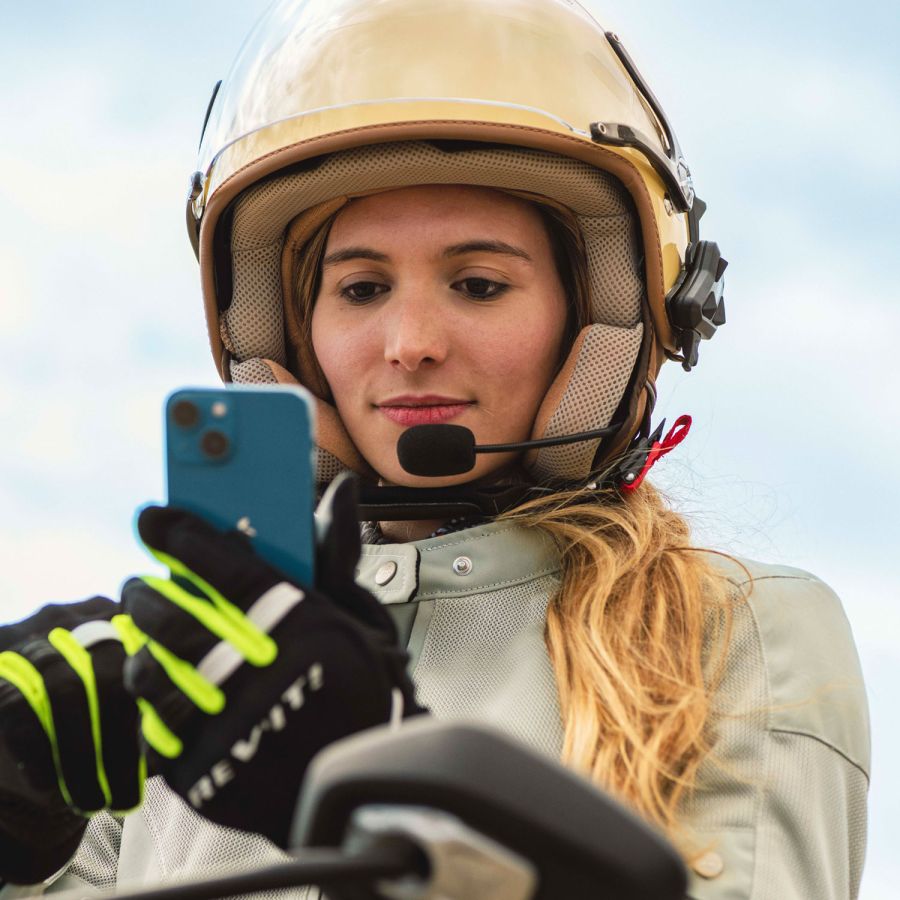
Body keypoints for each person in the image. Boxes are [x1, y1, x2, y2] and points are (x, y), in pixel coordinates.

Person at [0, 1, 869, 897]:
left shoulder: (737, 634)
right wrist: (23, 840)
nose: (409, 339)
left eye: (479, 284)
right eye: (363, 286)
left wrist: (373, 786)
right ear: (292, 341)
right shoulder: (194, 677)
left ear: (597, 325)